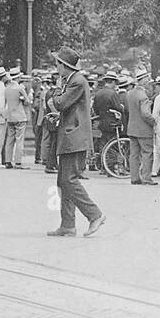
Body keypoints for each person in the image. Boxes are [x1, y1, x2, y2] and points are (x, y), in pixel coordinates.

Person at [46, 48, 104, 237]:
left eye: (58, 64)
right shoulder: (72, 81)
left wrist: (55, 92)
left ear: (64, 66)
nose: (56, 67)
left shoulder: (77, 82)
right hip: (70, 135)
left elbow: (59, 103)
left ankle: (94, 215)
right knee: (63, 181)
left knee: (68, 180)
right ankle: (68, 225)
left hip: (74, 136)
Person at [126, 68, 157, 185]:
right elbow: (145, 114)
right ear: (143, 80)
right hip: (144, 129)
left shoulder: (130, 94)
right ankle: (146, 178)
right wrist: (153, 121)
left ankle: (134, 177)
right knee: (147, 153)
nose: (148, 81)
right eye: (147, 78)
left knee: (133, 154)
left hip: (132, 128)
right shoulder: (143, 96)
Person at [4, 72, 31, 167]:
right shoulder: (20, 88)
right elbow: (27, 101)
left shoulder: (6, 89)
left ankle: (7, 161)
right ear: (18, 77)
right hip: (20, 116)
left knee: (10, 139)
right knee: (19, 139)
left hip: (10, 116)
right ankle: (18, 161)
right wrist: (22, 98)